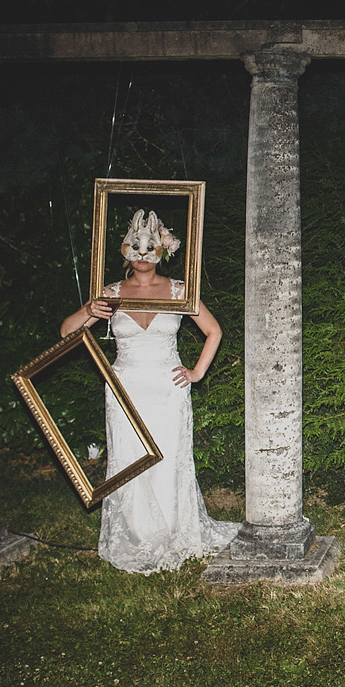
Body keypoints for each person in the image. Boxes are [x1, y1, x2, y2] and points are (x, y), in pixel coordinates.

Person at [61, 209, 238, 573]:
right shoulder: (111, 292)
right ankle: (137, 533)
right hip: (125, 389)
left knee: (169, 457)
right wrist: (89, 310)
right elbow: (66, 332)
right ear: (125, 249)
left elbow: (214, 331)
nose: (142, 253)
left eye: (150, 245)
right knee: (128, 459)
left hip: (167, 389)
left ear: (163, 249)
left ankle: (174, 529)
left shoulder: (178, 289)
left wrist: (197, 372)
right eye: (136, 245)